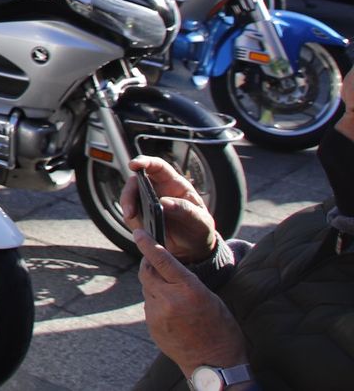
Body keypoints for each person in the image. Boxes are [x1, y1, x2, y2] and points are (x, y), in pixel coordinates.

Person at [124, 69, 354, 391]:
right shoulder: (334, 213)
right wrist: (205, 256)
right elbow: (271, 295)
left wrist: (216, 367)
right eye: (344, 109)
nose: (337, 133)